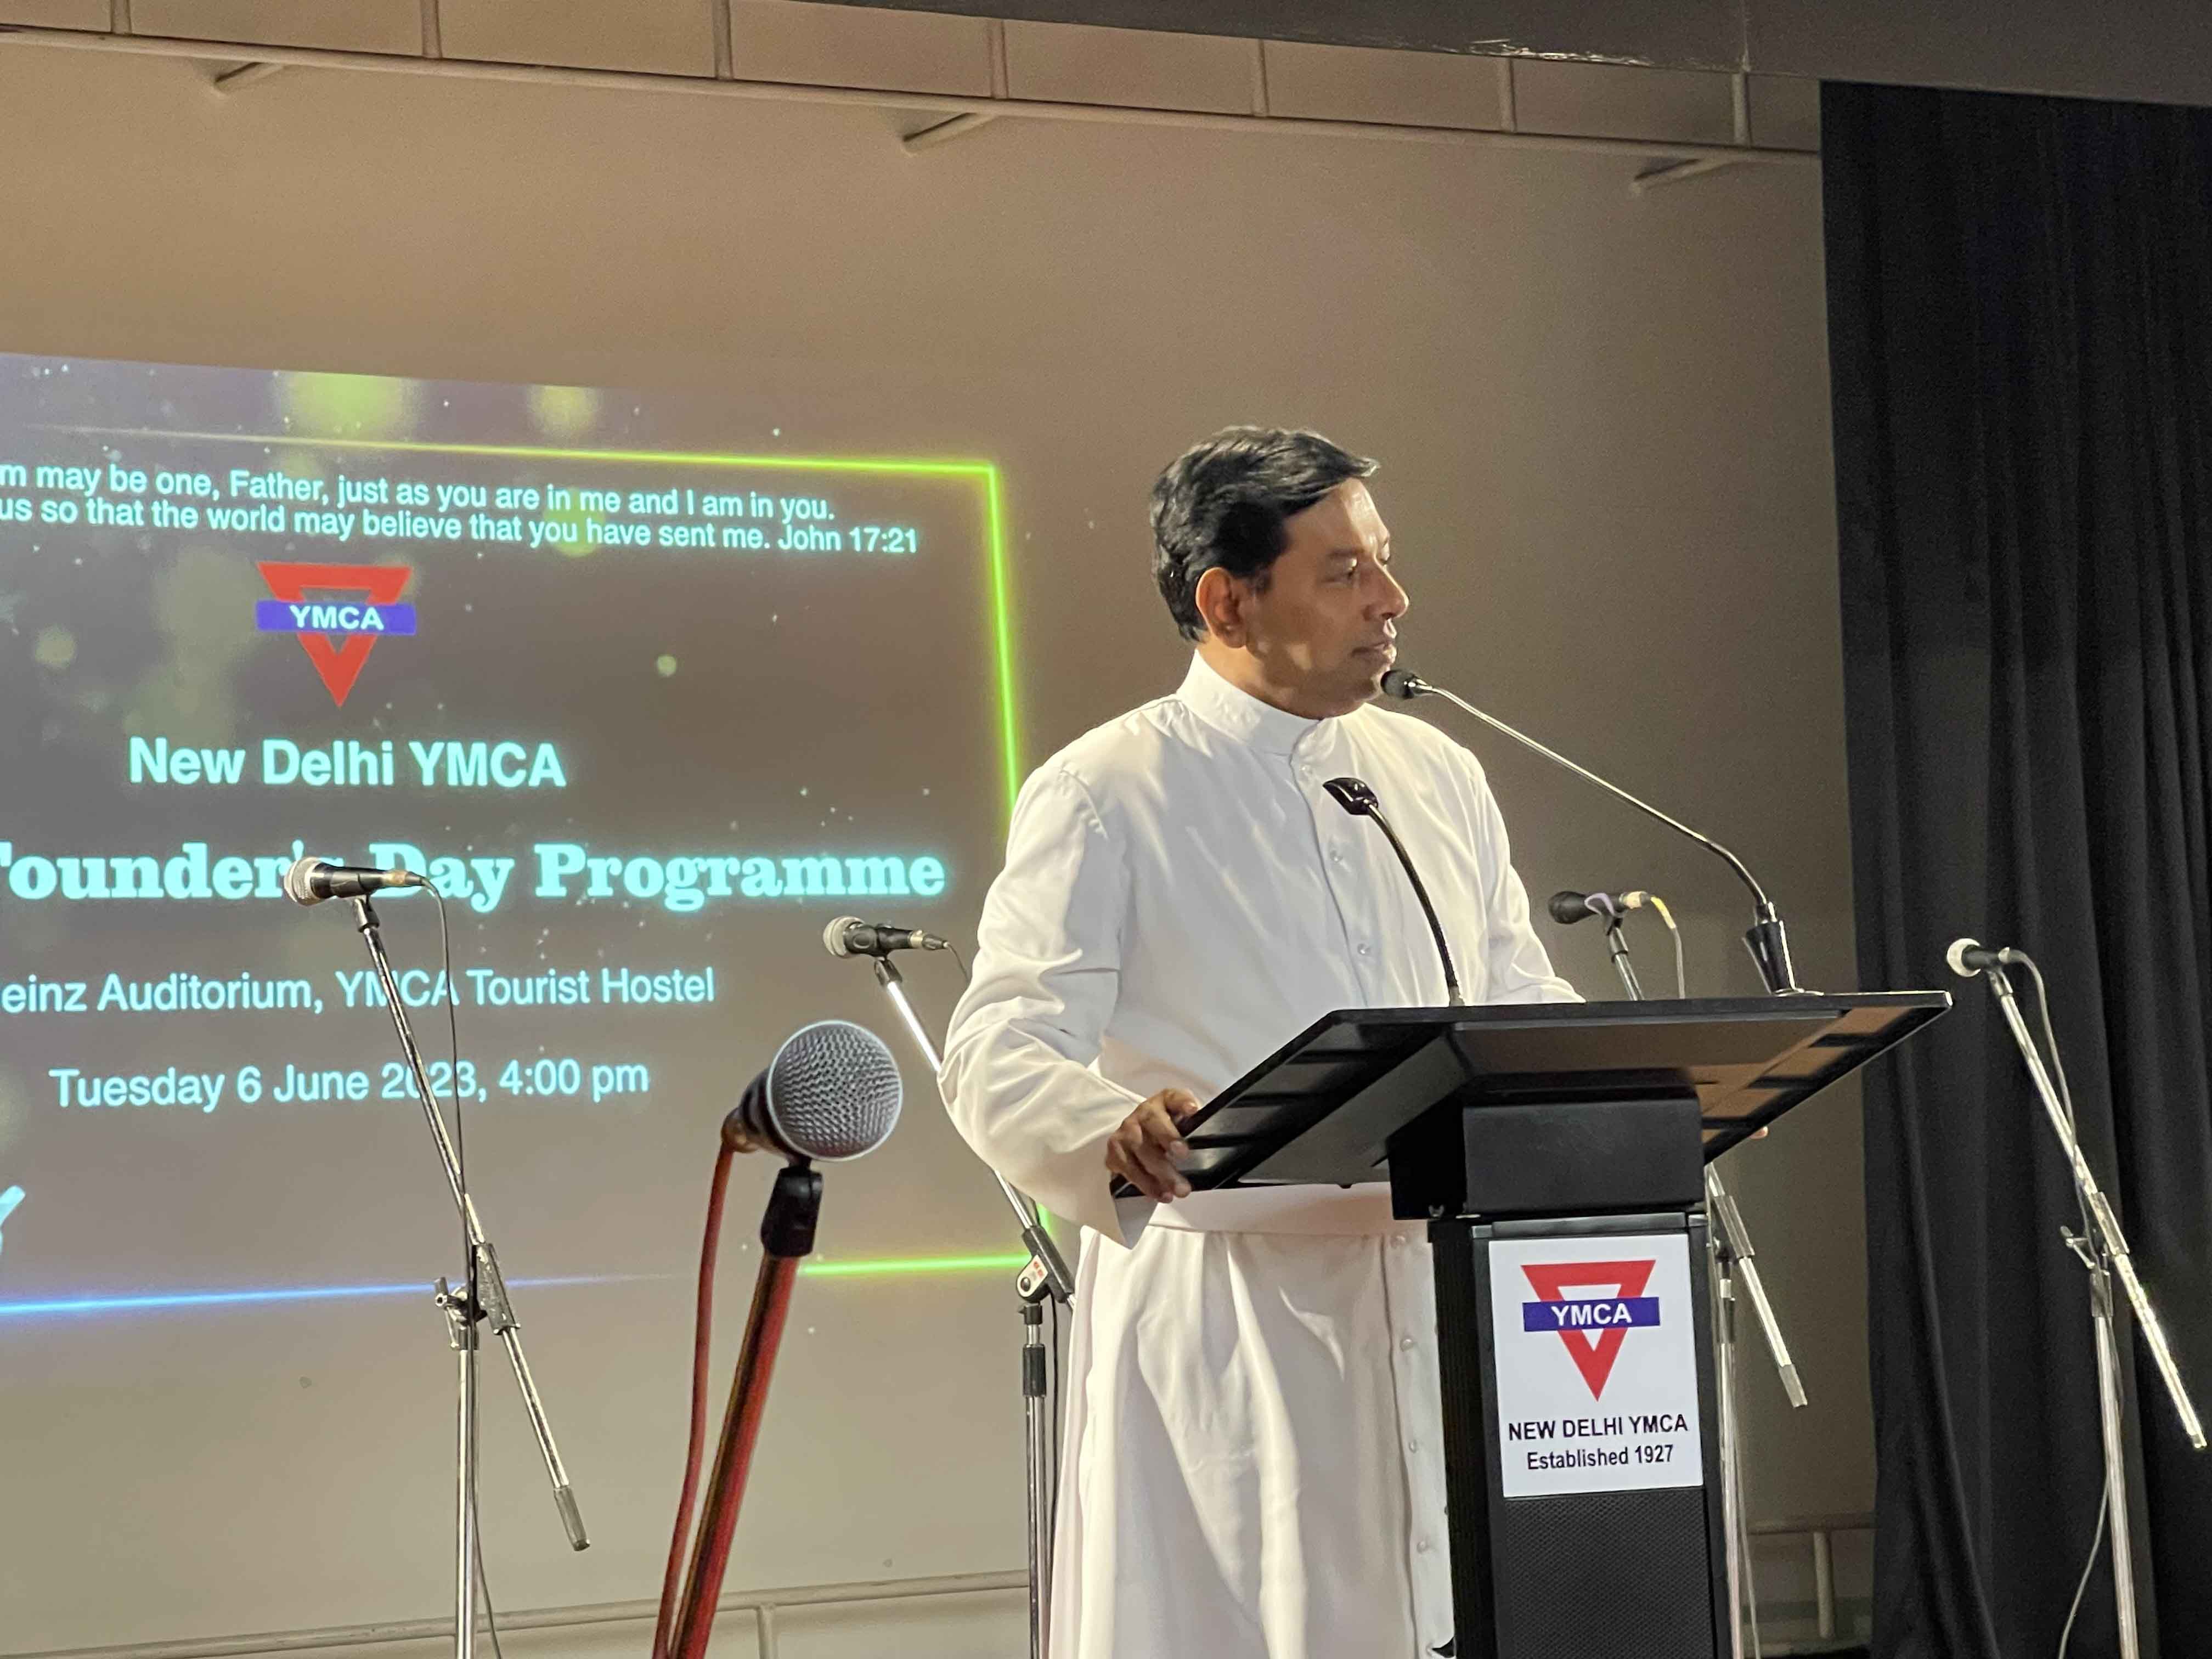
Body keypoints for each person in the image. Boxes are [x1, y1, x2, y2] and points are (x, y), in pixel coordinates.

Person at [939, 427, 1579, 1657]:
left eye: (1383, 560)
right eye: (1344, 572)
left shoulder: (1435, 773)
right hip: (1237, 1314)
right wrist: (1104, 1126)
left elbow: (1514, 991)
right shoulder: (1107, 789)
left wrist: (1622, 1091)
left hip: (1445, 1292)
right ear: (1226, 600)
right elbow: (999, 1043)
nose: (1391, 599)